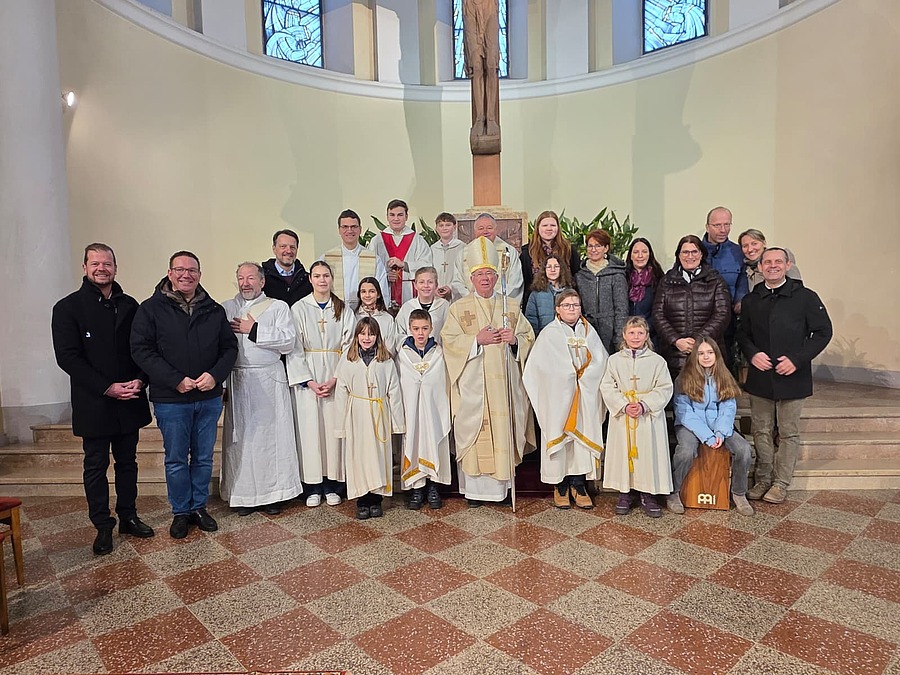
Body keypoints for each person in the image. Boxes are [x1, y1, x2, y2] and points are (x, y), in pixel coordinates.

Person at [51, 243, 155, 555]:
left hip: (130, 398)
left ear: (115, 267)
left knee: (128, 463)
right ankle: (102, 525)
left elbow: (143, 347)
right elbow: (68, 358)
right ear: (84, 267)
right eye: (95, 263)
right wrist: (107, 386)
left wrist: (141, 378)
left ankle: (128, 516)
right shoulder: (67, 308)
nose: (101, 268)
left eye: (107, 263)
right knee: (95, 466)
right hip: (94, 402)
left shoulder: (130, 305)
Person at [131, 251, 238, 538]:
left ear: (199, 275)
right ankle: (180, 512)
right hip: (172, 398)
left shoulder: (213, 310)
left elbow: (229, 349)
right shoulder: (150, 309)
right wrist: (175, 379)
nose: (186, 275)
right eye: (180, 270)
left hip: (207, 396)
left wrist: (214, 375)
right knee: (176, 458)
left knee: (203, 457)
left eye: (191, 270)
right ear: (169, 273)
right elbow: (141, 350)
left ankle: (198, 508)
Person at [442, 237, 534, 505]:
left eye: (490, 274)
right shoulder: (458, 309)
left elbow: (529, 338)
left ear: (497, 277)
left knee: (502, 429)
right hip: (474, 387)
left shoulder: (511, 307)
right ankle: (474, 492)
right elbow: (448, 341)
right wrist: (475, 341)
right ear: (471, 278)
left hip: (504, 385)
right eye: (480, 274)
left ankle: (502, 490)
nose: (485, 279)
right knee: (476, 433)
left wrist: (515, 340)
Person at [738, 248, 832, 504]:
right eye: (767, 262)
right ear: (759, 267)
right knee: (761, 431)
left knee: (788, 432)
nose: (772, 266)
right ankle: (763, 478)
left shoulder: (806, 297)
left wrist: (798, 360)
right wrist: (753, 354)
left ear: (788, 265)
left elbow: (823, 332)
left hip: (793, 376)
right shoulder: (751, 299)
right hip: (761, 375)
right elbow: (743, 334)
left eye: (778, 261)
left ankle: (781, 483)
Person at [221, 262, 302, 516]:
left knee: (271, 439)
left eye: (251, 278)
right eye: (241, 278)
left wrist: (253, 329)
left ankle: (275, 494)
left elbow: (288, 341)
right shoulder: (226, 308)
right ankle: (244, 495)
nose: (246, 283)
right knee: (242, 441)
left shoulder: (278, 307)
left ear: (262, 282)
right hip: (238, 379)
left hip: (268, 379)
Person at [523, 290, 608, 510]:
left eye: (576, 305)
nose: (572, 309)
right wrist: (567, 376)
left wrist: (583, 377)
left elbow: (601, 361)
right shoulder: (549, 333)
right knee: (561, 438)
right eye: (567, 305)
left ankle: (579, 485)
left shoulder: (589, 332)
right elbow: (537, 368)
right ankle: (560, 486)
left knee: (580, 441)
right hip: (557, 398)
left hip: (584, 396)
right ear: (557, 309)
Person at [286, 260, 355, 507]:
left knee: (333, 431)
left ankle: (333, 484)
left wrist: (337, 378)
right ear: (310, 279)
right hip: (310, 380)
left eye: (326, 275)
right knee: (310, 432)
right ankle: (312, 486)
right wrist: (310, 382)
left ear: (331, 279)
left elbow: (349, 347)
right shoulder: (299, 308)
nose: (322, 280)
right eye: (317, 276)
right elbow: (294, 348)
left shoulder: (343, 309)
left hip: (335, 377)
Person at [669, 337, 754, 517]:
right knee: (686, 451)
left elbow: (728, 407)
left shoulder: (724, 376)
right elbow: (684, 412)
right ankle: (673, 492)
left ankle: (738, 493)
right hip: (690, 425)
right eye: (701, 353)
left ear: (716, 354)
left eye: (710, 352)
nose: (706, 357)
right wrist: (706, 435)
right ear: (694, 356)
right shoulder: (684, 378)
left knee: (744, 449)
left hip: (719, 425)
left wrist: (721, 431)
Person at [600, 317, 673, 518]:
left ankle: (647, 495)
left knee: (647, 454)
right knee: (625, 454)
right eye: (631, 332)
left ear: (647, 336)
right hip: (624, 415)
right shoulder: (614, 360)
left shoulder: (657, 361)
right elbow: (607, 386)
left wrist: (643, 405)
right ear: (624, 335)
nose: (635, 337)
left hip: (647, 416)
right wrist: (623, 405)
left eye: (640, 333)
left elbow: (665, 388)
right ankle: (625, 493)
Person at [334, 318, 405, 520]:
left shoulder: (386, 360)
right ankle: (362, 500)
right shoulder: (348, 359)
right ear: (357, 336)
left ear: (377, 337)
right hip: (356, 414)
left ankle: (376, 499)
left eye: (371, 334)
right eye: (363, 334)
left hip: (378, 412)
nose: (367, 338)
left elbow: (395, 392)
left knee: (379, 456)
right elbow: (341, 393)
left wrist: (397, 422)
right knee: (359, 456)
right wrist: (340, 426)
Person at [652, 234, 731, 378]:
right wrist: (676, 340)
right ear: (678, 255)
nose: (690, 256)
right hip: (674, 355)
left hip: (708, 355)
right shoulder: (666, 281)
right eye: (685, 252)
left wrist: (698, 341)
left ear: (701, 254)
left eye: (694, 252)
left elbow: (722, 314)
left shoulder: (715, 281)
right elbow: (658, 315)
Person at [397, 309, 451, 510]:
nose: (420, 333)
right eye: (416, 329)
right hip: (412, 411)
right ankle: (416, 488)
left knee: (434, 443)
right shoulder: (402, 353)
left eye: (425, 328)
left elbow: (440, 380)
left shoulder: (439, 352)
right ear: (409, 329)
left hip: (433, 411)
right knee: (414, 441)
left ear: (431, 328)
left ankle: (433, 487)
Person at [368, 199, 433, 308]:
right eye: (392, 215)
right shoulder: (377, 241)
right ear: (387, 217)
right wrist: (385, 276)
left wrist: (405, 265)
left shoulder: (418, 240)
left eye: (400, 215)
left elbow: (427, 266)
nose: (396, 219)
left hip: (410, 292)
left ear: (406, 217)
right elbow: (370, 267)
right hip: (385, 290)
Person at [320, 209, 389, 311]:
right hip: (336, 312)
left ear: (360, 229)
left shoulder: (373, 259)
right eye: (345, 227)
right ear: (339, 230)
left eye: (354, 227)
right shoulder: (327, 258)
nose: (349, 230)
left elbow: (383, 290)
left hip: (365, 314)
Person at [574, 229, 629, 354]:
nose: (593, 250)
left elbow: (622, 309)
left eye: (598, 246)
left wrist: (619, 337)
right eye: (590, 246)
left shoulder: (616, 274)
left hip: (610, 331)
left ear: (606, 248)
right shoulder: (580, 275)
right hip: (587, 329)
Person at [451, 212, 524, 301]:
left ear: (496, 230)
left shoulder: (509, 251)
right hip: (471, 304)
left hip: (500, 303)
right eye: (481, 228)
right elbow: (457, 282)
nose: (485, 231)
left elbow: (515, 282)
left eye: (489, 228)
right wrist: (472, 298)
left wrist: (495, 298)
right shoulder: (463, 253)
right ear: (475, 232)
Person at [520, 210, 581, 306]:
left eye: (552, 225)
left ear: (558, 228)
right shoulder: (527, 252)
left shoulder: (569, 250)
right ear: (538, 228)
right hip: (537, 303)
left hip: (566, 302)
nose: (549, 228)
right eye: (544, 225)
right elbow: (524, 281)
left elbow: (576, 277)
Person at [702, 207, 748, 310]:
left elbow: (743, 282)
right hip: (700, 315)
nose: (723, 230)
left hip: (729, 314)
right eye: (717, 225)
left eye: (727, 224)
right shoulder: (694, 252)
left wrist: (740, 301)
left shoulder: (738, 252)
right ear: (707, 227)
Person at [394, 267, 450, 347]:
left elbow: (449, 333)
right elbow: (398, 334)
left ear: (436, 285)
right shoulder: (407, 307)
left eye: (430, 282)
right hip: (412, 354)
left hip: (437, 354)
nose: (426, 286)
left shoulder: (444, 306)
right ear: (415, 285)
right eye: (421, 282)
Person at [738, 228, 802, 292]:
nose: (750, 249)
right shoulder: (746, 269)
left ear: (764, 243)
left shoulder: (782, 262)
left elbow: (797, 291)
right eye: (745, 246)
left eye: (754, 244)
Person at [525, 254, 574, 335]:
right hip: (543, 337)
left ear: (561, 269)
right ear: (544, 270)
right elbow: (531, 318)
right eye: (549, 267)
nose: (552, 270)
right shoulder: (536, 293)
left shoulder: (569, 292)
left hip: (565, 337)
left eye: (556, 266)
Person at [262, 229, 312, 307]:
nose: (288, 251)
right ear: (274, 249)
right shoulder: (262, 279)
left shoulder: (308, 280)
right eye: (283, 246)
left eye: (292, 247)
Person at [625, 237, 665, 333]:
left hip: (652, 334)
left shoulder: (659, 278)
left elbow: (661, 310)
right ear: (630, 256)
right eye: (635, 252)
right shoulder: (622, 277)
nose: (640, 256)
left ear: (650, 254)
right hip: (628, 333)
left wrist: (646, 330)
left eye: (644, 252)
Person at [355, 277, 399, 355]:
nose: (367, 295)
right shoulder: (354, 317)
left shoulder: (387, 318)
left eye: (371, 291)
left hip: (382, 361)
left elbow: (391, 346)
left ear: (378, 294)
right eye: (363, 292)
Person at [430, 212, 464, 301]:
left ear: (454, 227)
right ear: (436, 228)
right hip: (436, 293)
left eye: (448, 225)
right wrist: (434, 288)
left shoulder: (462, 248)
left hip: (457, 294)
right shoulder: (432, 249)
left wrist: (450, 287)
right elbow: (429, 272)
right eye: (441, 225)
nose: (444, 228)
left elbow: (463, 273)